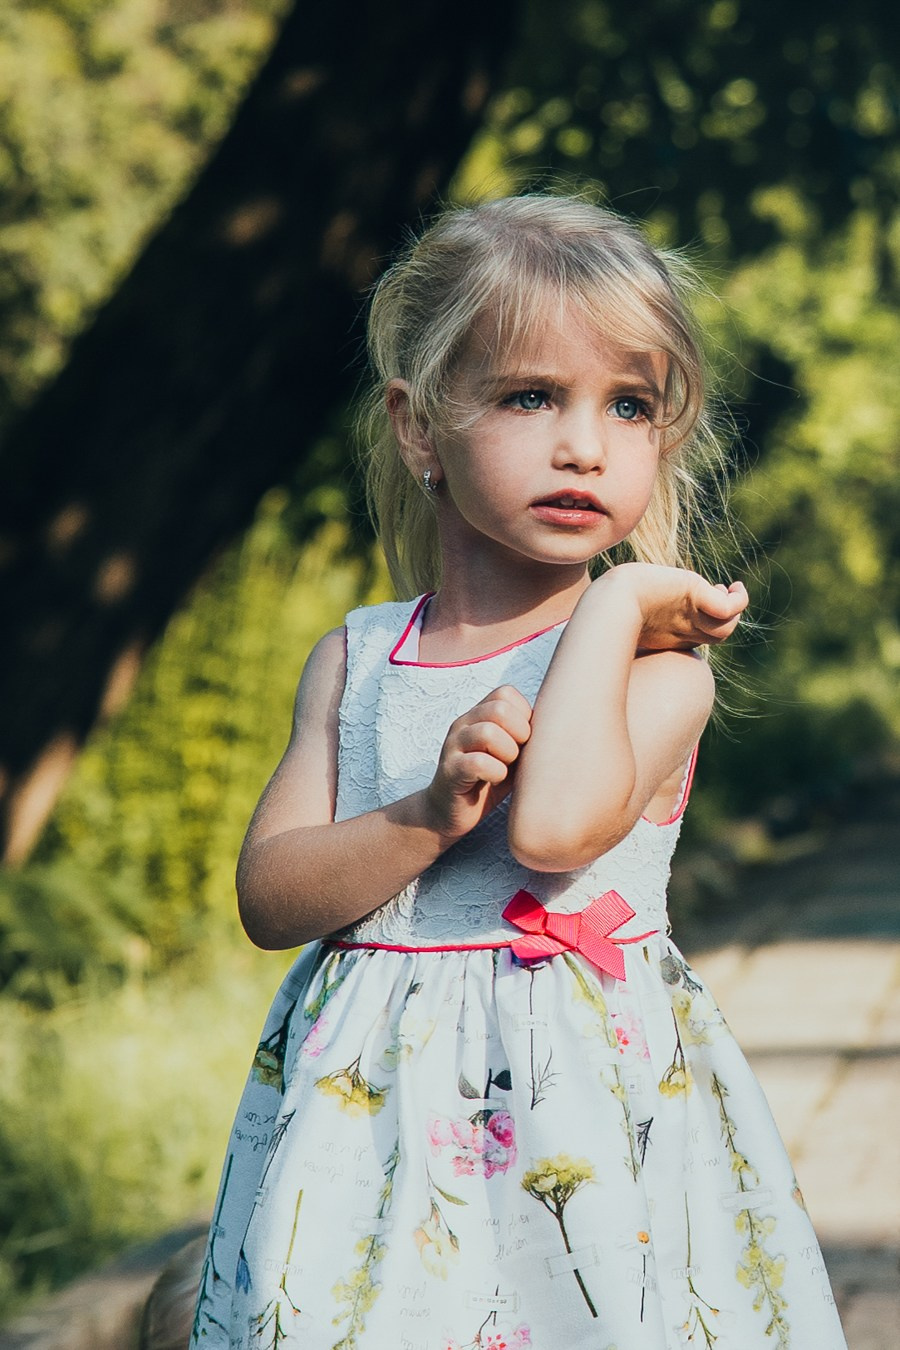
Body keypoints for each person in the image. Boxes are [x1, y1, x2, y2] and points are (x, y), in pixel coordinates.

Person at [190, 194, 847, 1349]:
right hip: (375, 1129)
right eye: (529, 395)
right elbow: (269, 896)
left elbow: (553, 833)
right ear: (419, 428)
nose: (583, 444)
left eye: (628, 406)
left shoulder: (657, 667)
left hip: (584, 1126)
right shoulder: (360, 660)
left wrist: (624, 600)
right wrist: (423, 814)